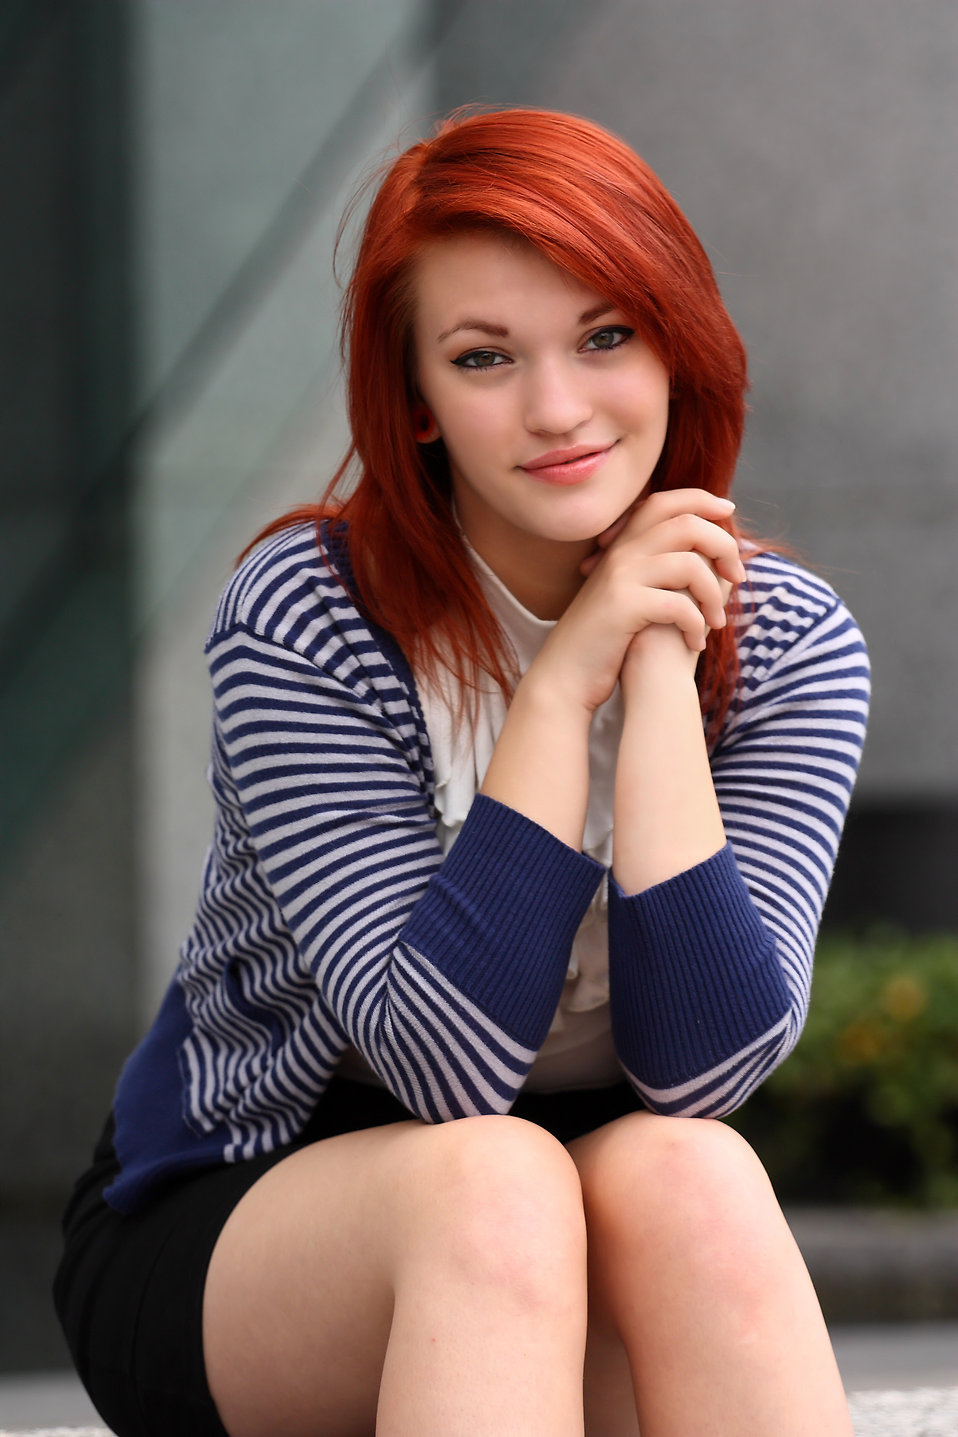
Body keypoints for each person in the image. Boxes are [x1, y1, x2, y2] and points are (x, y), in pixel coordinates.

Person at [55, 107, 869, 1436]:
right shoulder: (307, 618)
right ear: (417, 400)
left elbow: (702, 1066)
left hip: (586, 1215)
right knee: (492, 1178)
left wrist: (657, 669)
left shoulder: (785, 649)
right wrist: (559, 687)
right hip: (250, 1224)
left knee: (698, 1173)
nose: (556, 410)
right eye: (483, 357)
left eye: (604, 335)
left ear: (678, 343)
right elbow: (438, 1067)